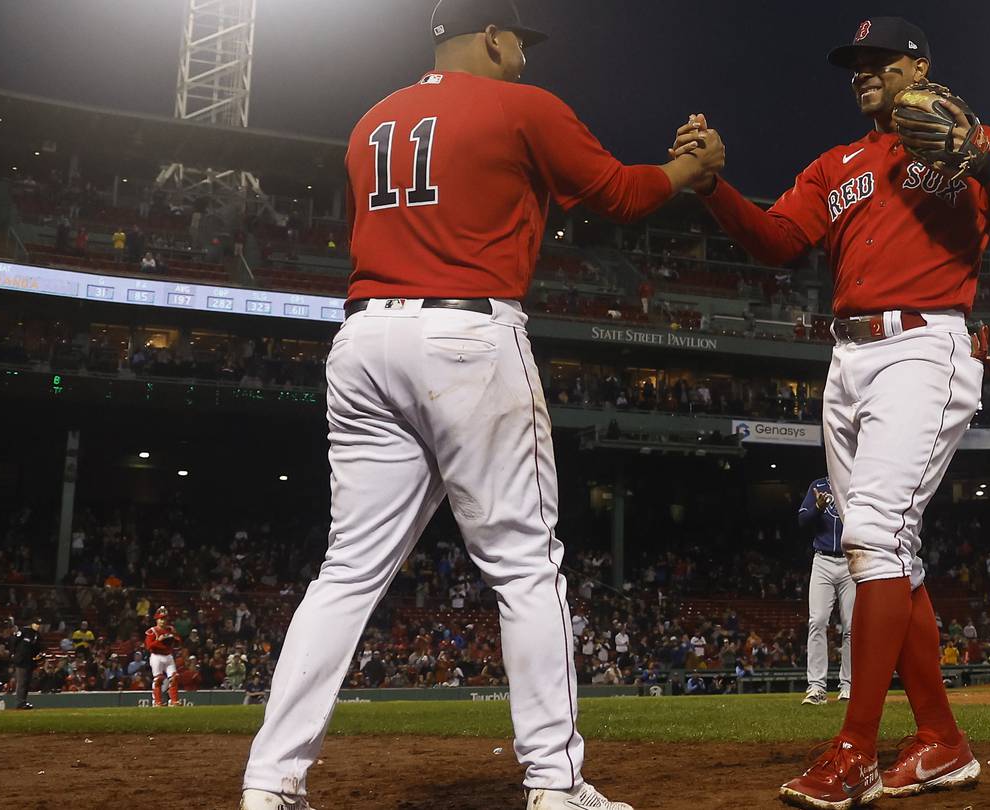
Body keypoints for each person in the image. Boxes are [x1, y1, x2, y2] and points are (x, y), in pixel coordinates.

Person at [237, 2, 722, 809]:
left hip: (361, 341)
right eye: (519, 43)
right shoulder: (520, 105)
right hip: (464, 335)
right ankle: (555, 785)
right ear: (493, 36)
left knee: (348, 572)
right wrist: (688, 173)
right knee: (527, 569)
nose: (525, 58)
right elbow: (620, 196)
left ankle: (270, 781)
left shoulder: (371, 121)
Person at [671, 15, 990, 808]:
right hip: (846, 359)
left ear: (919, 66)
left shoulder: (968, 140)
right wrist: (713, 188)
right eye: (856, 63)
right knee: (886, 556)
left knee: (876, 532)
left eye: (880, 60)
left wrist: (983, 160)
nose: (863, 72)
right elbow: (779, 240)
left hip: (924, 345)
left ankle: (855, 748)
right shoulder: (834, 164)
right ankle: (943, 742)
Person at [798, 475, 853, 705]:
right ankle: (817, 687)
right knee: (817, 621)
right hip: (822, 560)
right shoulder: (818, 485)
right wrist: (818, 507)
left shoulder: (858, 482)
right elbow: (802, 521)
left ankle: (849, 685)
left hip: (851, 559)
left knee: (852, 625)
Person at [145, 607, 181, 707]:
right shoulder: (152, 631)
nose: (163, 621)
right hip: (156, 656)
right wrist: (159, 640)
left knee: (174, 677)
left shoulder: (170, 629)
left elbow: (178, 640)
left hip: (168, 656)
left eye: (165, 619)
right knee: (158, 679)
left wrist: (173, 638)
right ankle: (157, 701)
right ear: (157, 619)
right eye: (161, 619)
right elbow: (148, 646)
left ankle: (174, 701)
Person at [11, 617, 43, 709]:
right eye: (36, 624)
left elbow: (39, 648)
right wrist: (14, 654)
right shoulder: (24, 631)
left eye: (38, 624)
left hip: (29, 662)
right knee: (21, 682)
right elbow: (14, 641)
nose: (37, 626)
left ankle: (23, 701)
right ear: (32, 623)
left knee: (26, 682)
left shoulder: (37, 635)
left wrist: (39, 656)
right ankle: (20, 702)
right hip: (21, 661)